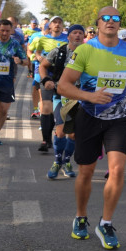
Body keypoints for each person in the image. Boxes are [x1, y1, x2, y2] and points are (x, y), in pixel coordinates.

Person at [57, 7, 126, 250]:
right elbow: (63, 86)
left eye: (115, 19)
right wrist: (89, 96)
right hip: (89, 116)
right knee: (86, 172)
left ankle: (105, 223)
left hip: (119, 119)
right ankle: (81, 216)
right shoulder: (85, 50)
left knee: (117, 170)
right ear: (97, 24)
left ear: (119, 24)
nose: (111, 22)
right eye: (106, 18)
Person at [39, 24, 86, 179]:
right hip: (61, 95)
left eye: (80, 33)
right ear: (69, 36)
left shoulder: (89, 53)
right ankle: (57, 161)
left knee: (72, 134)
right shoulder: (59, 52)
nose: (78, 35)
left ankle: (66, 162)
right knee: (60, 131)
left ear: (84, 36)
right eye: (75, 33)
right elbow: (43, 66)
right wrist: (46, 79)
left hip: (80, 97)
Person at [29, 16, 68, 153]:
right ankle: (45, 140)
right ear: (50, 26)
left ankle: (56, 135)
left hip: (63, 79)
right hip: (45, 76)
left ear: (62, 26)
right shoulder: (41, 38)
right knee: (46, 107)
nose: (57, 25)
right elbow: (34, 51)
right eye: (54, 22)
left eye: (59, 22)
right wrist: (38, 57)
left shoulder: (67, 39)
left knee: (57, 110)